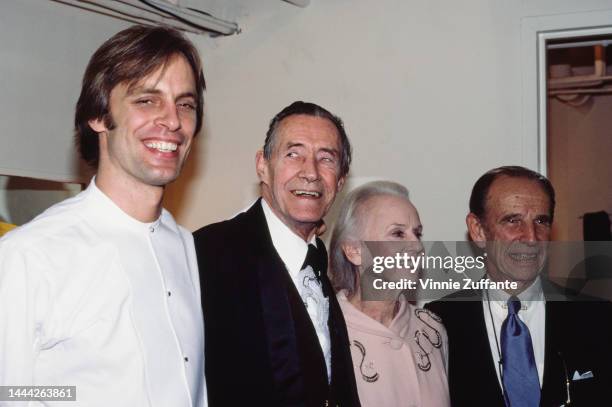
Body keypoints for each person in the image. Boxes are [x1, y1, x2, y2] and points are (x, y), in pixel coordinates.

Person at [0, 25, 207, 407]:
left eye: (185, 104)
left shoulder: (185, 246)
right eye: (147, 100)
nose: (173, 121)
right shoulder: (28, 255)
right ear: (98, 115)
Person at [193, 101, 361, 407]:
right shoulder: (208, 255)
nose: (310, 172)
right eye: (293, 154)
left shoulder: (321, 259)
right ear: (262, 165)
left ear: (340, 180)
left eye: (326, 159)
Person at [426, 166, 612, 407]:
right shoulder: (438, 323)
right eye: (513, 221)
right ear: (478, 230)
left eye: (541, 221)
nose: (532, 237)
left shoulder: (597, 319)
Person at [329, 181, 450, 407]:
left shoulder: (432, 329)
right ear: (354, 251)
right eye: (398, 233)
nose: (417, 247)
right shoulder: (325, 334)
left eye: (417, 233)